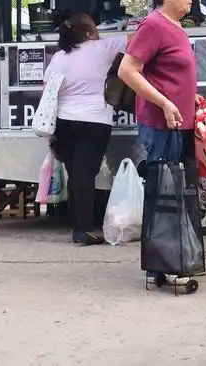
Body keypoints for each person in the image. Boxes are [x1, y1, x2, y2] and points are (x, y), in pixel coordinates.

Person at [117, 0, 201, 284]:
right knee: (163, 192)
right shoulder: (153, 25)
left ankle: (173, 258)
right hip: (161, 124)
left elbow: (171, 73)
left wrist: (188, 97)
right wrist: (165, 102)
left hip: (180, 123)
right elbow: (128, 71)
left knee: (176, 192)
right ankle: (160, 264)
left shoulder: (175, 26)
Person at [45, 13, 130, 245]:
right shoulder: (102, 48)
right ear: (89, 33)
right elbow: (136, 38)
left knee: (75, 174)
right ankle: (82, 230)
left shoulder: (59, 58)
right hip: (94, 120)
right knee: (85, 175)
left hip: (63, 122)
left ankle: (78, 226)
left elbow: (48, 88)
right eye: (96, 28)